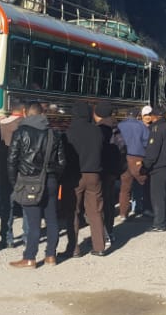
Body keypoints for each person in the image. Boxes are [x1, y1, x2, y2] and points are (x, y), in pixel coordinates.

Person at [8, 102, 66, 268]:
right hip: (50, 179)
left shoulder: (20, 132)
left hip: (29, 181)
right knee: (52, 220)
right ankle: (51, 256)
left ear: (25, 113)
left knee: (34, 223)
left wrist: (14, 182)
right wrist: (54, 177)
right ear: (42, 114)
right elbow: (62, 162)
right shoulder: (54, 133)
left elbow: (12, 160)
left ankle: (30, 257)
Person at [64, 101, 107, 257]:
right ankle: (99, 246)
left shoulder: (69, 132)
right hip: (94, 174)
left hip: (75, 175)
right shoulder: (97, 131)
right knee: (95, 210)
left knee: (73, 211)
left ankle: (74, 248)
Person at [0, 98, 25, 249]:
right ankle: (27, 236)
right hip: (22, 171)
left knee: (6, 205)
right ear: (23, 111)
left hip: (4, 170)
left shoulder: (1, 126)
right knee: (26, 205)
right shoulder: (25, 124)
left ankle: (6, 237)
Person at [142, 106, 166, 232]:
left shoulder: (156, 129)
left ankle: (159, 224)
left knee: (158, 196)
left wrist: (145, 166)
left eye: (151, 115)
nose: (150, 117)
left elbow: (152, 151)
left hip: (159, 168)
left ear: (155, 116)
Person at [93, 101, 122, 247]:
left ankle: (103, 234)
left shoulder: (98, 130)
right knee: (110, 202)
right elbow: (122, 149)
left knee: (100, 204)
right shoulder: (117, 128)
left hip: (101, 171)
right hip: (113, 171)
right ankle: (110, 231)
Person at [117, 106, 150, 219]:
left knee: (125, 187)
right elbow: (146, 142)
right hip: (137, 158)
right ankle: (146, 208)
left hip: (123, 158)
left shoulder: (120, 125)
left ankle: (123, 213)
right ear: (138, 116)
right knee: (144, 182)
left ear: (127, 115)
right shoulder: (141, 126)